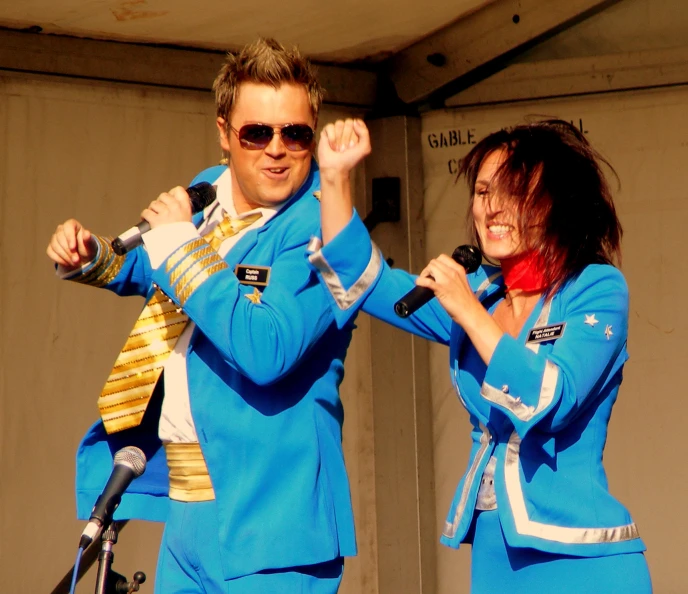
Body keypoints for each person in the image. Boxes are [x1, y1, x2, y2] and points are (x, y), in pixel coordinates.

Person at [46, 38, 357, 593]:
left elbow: (267, 350)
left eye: (296, 133)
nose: (277, 150)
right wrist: (95, 258)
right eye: (257, 133)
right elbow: (161, 276)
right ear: (223, 134)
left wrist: (179, 248)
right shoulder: (207, 195)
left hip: (275, 520)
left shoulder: (322, 229)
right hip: (190, 510)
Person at [310, 118, 652, 592]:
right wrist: (334, 176)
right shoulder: (481, 294)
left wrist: (469, 311)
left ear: (556, 202)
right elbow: (365, 280)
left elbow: (552, 396)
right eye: (484, 191)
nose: (492, 208)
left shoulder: (595, 287)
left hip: (582, 555)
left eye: (513, 191)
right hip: (494, 552)